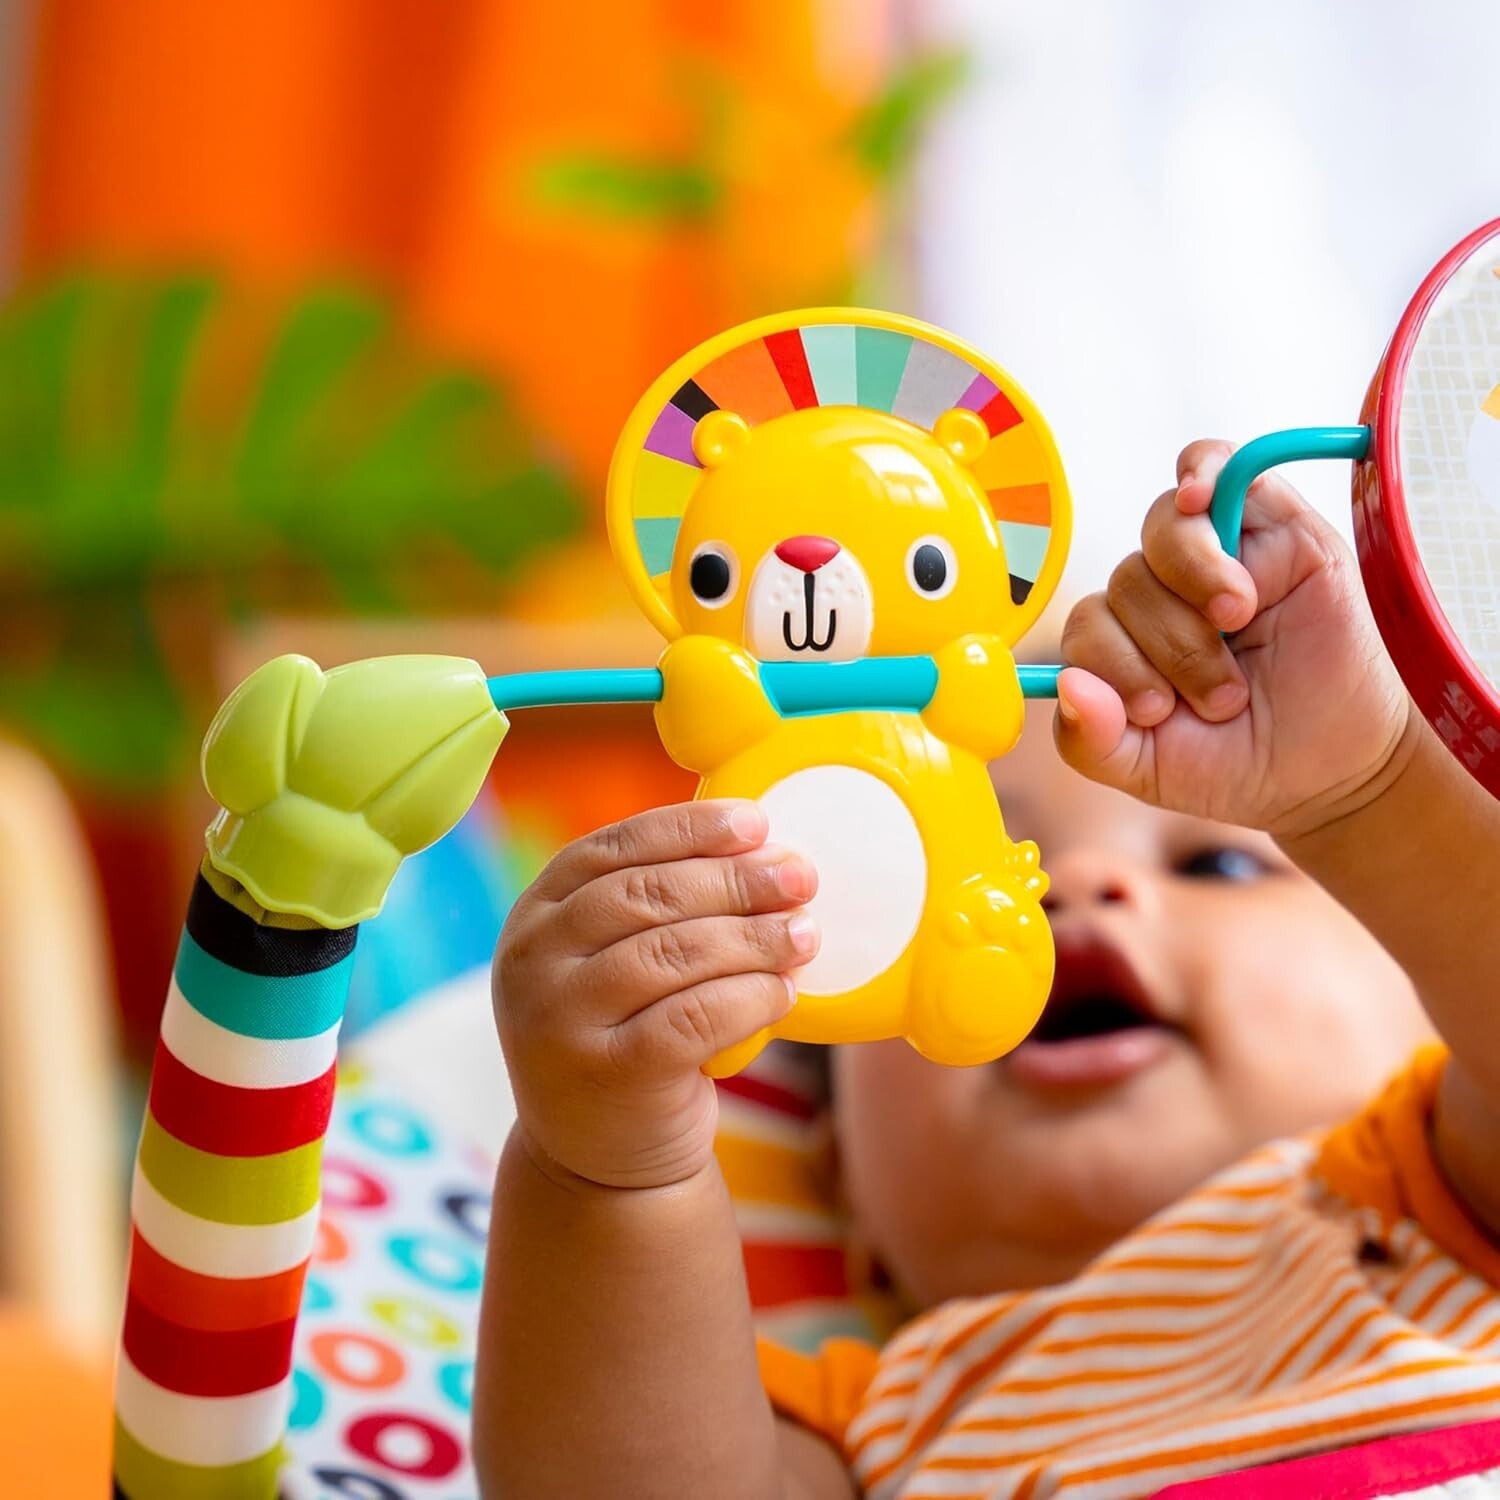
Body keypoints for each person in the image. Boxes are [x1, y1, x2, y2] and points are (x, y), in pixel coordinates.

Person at [473, 441, 1500, 1498]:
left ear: (1430, 1018)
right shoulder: (879, 1431)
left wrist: (1365, 797)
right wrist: (607, 1166)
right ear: (842, 1178)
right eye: (947, 881)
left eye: (1223, 863)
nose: (1078, 886)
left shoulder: (1450, 1208)